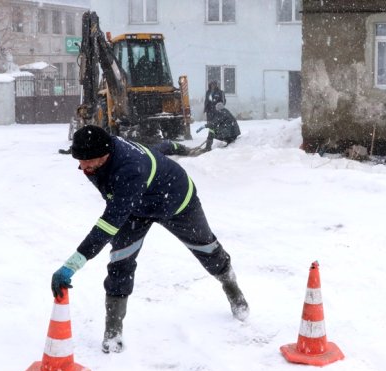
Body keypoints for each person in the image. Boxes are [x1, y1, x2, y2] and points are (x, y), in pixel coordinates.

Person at [51, 125, 249, 354]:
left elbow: (108, 224)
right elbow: (114, 201)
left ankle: (230, 285)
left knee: (207, 249)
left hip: (176, 201)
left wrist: (72, 264)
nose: (82, 167)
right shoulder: (96, 159)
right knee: (120, 262)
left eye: (87, 161)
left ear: (104, 155)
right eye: (80, 160)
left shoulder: (130, 168)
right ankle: (113, 331)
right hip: (134, 210)